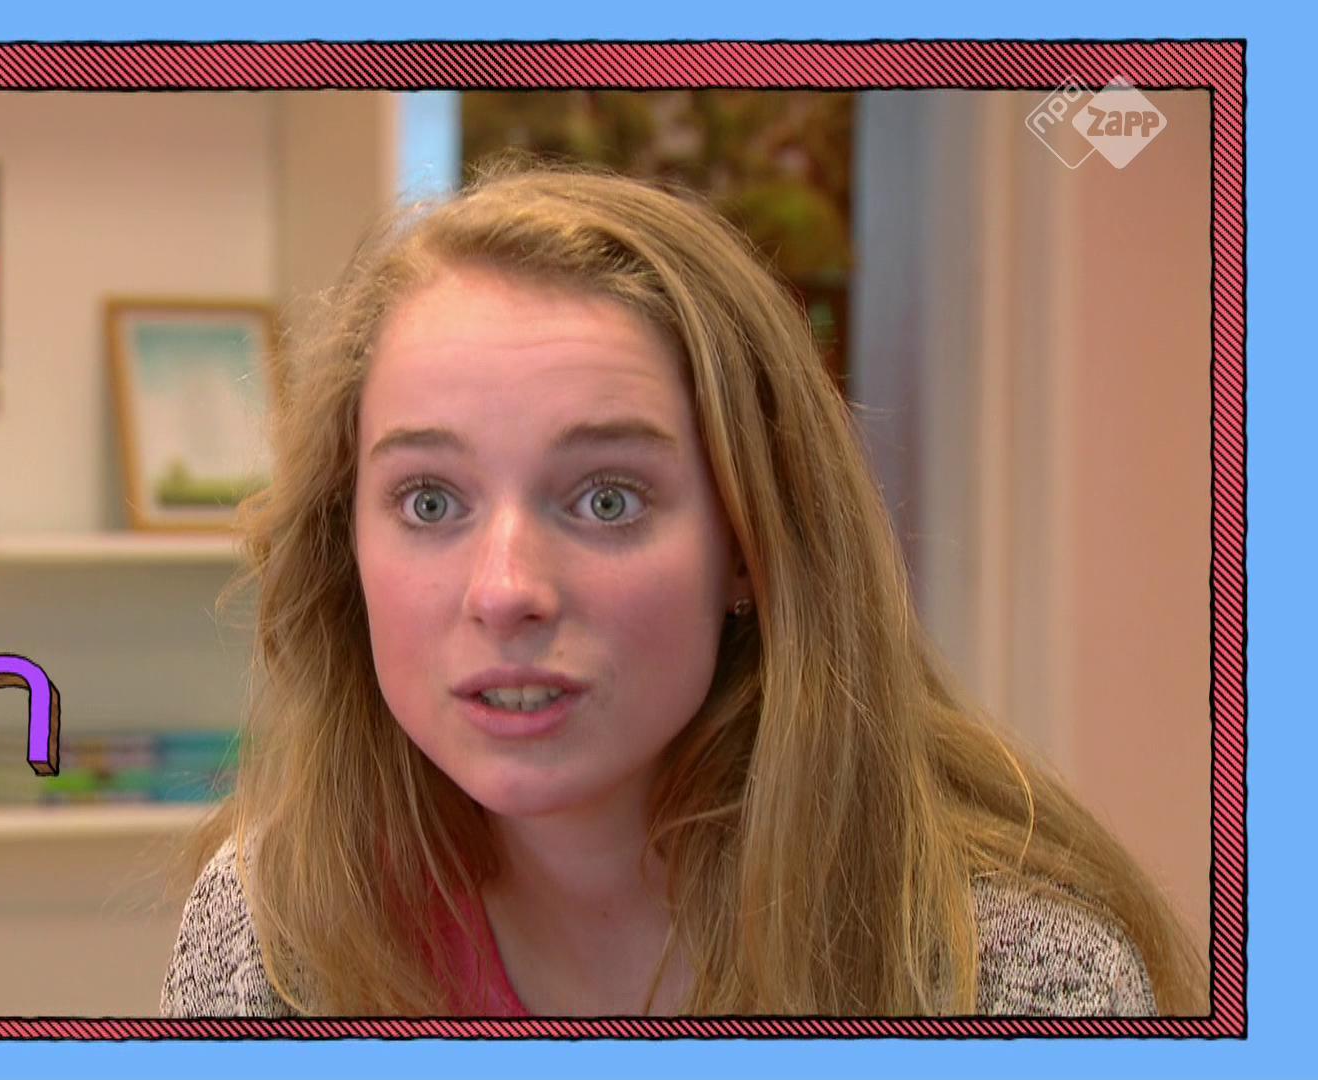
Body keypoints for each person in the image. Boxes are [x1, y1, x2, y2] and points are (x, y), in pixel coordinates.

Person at [160, 164, 1208, 1018]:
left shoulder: (1006, 977)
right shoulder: (278, 933)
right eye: (430, 502)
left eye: (606, 500)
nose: (507, 591)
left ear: (747, 547)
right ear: (345, 546)